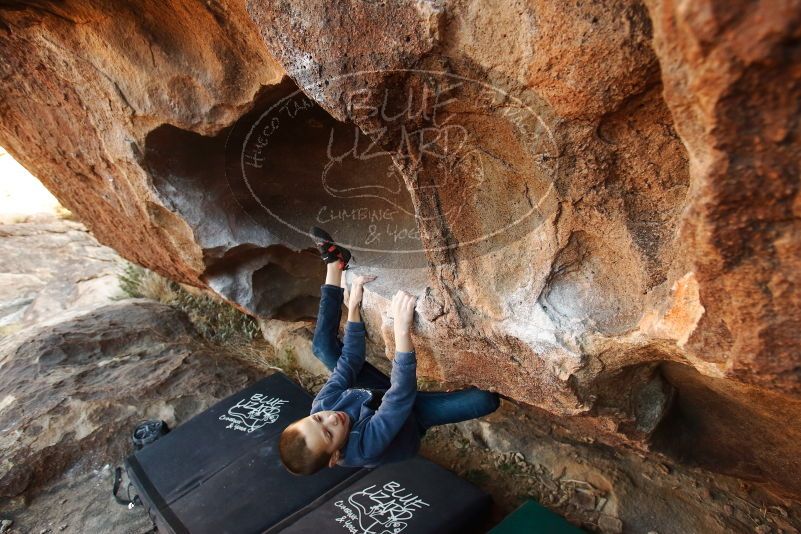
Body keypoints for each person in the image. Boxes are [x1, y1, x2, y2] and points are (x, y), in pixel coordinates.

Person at [278, 227, 500, 475]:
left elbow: (349, 361)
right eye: (329, 434)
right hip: (410, 415)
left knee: (322, 348)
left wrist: (353, 310)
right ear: (335, 456)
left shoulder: (322, 406)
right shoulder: (364, 448)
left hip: (375, 392)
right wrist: (401, 330)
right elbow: (400, 396)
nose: (331, 418)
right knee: (485, 400)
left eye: (317, 419)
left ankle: (334, 265)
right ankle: (443, 396)